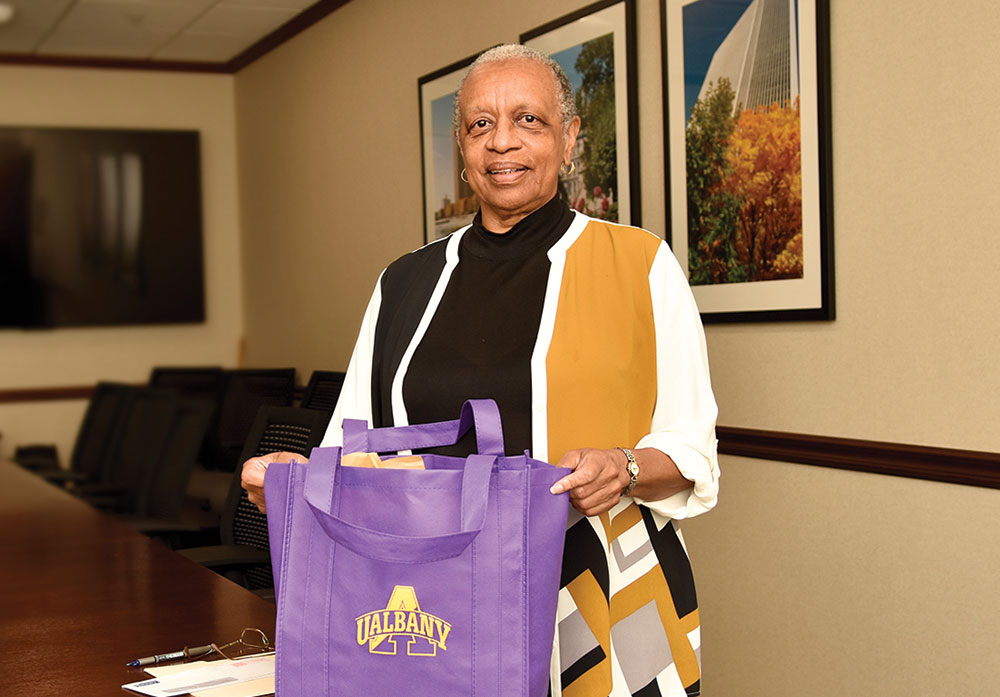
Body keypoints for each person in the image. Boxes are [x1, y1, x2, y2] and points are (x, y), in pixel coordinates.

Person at [243, 44, 719, 697]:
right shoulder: (404, 283)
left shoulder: (641, 265)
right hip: (432, 604)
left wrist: (626, 466)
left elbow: (693, 451)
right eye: (480, 124)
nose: (502, 142)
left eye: (529, 120)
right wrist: (288, 480)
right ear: (463, 149)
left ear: (569, 138)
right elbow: (351, 449)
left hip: (600, 593)